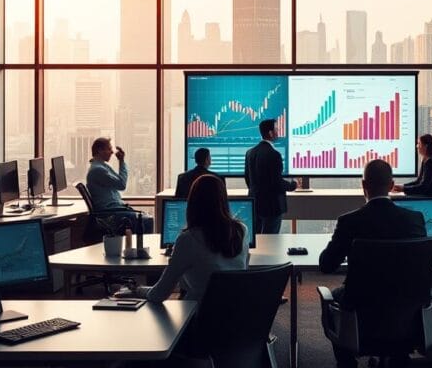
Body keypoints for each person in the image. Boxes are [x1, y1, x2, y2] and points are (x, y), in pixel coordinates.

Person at [319, 159, 428, 368]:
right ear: (392, 185)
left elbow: (326, 265)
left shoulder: (350, 221)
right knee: (400, 296)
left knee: (332, 296)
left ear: (363, 185)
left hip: (361, 312)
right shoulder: (414, 220)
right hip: (404, 314)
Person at [135, 174, 249, 302]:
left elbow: (159, 294)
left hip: (199, 316)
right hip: (237, 313)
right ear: (224, 199)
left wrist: (137, 290)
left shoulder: (188, 239)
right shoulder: (242, 231)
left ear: (193, 202)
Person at [85, 137, 154, 234]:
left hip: (114, 209)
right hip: (110, 214)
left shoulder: (102, 167)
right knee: (147, 221)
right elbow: (121, 184)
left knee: (145, 217)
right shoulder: (98, 170)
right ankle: (140, 247)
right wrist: (121, 161)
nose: (112, 152)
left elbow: (118, 181)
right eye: (109, 149)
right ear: (100, 150)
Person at [244, 119, 297, 234]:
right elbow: (277, 183)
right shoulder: (274, 154)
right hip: (272, 205)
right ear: (270, 133)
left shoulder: (250, 153)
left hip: (255, 202)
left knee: (256, 239)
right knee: (271, 239)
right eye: (276, 129)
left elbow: (248, 179)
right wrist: (293, 185)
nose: (278, 132)